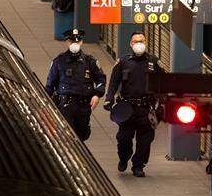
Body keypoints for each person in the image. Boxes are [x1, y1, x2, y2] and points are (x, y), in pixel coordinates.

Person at [103, 32, 163, 177]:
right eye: (136, 41)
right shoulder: (123, 62)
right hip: (127, 108)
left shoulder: (153, 62)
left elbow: (162, 82)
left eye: (141, 41)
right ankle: (124, 158)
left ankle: (138, 165)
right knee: (123, 138)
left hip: (146, 109)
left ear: (146, 42)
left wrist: (162, 102)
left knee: (145, 140)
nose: (139, 44)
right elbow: (114, 82)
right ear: (131, 44)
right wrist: (109, 98)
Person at [45, 28, 106, 141]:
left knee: (82, 135)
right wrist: (45, 104)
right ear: (67, 42)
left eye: (77, 42)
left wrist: (97, 95)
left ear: (81, 42)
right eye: (72, 41)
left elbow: (101, 79)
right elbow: (50, 84)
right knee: (66, 135)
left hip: (83, 105)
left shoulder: (90, 61)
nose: (75, 44)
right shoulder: (59, 61)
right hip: (65, 105)